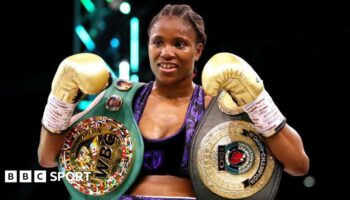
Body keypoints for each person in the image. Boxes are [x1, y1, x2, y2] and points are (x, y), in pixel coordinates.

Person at [38, 4, 309, 200]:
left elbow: (298, 165)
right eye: (158, 42)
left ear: (198, 50)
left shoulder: (218, 106)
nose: (166, 52)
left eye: (179, 44)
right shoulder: (120, 100)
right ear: (149, 45)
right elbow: (48, 157)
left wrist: (257, 100)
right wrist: (60, 99)